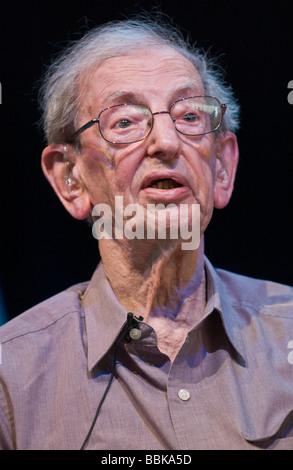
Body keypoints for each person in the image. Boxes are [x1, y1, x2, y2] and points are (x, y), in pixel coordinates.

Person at [0, 15, 292, 451]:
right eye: (124, 122)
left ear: (222, 168)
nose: (167, 142)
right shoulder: (12, 376)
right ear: (70, 180)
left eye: (189, 115)